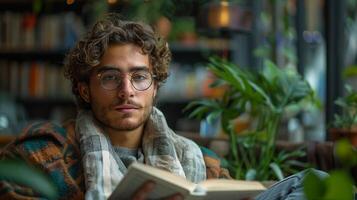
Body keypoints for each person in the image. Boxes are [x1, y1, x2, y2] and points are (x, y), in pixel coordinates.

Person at [0, 14, 327, 200]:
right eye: (110, 78)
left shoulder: (201, 162)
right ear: (84, 89)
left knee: (312, 185)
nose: (126, 91)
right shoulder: (39, 156)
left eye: (139, 77)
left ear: (155, 86)